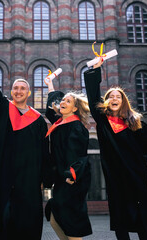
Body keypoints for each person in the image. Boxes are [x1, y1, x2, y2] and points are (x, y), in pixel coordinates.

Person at [83, 60, 147, 240]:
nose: (114, 99)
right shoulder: (103, 122)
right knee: (121, 218)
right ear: (106, 102)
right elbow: (93, 97)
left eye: (118, 96)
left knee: (142, 216)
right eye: (110, 96)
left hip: (136, 175)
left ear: (123, 102)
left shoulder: (136, 123)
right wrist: (95, 70)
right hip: (116, 177)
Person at [0, 34, 50, 240]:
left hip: (30, 178)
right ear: (11, 91)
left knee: (28, 223)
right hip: (5, 175)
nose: (18, 91)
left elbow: (45, 152)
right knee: (5, 222)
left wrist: (44, 179)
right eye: (15, 88)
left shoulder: (38, 120)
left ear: (29, 92)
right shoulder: (3, 108)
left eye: (22, 88)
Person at [44, 77, 92, 240]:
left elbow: (79, 154)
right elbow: (51, 110)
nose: (63, 102)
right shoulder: (60, 123)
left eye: (68, 101)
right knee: (55, 219)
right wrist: (50, 85)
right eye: (63, 100)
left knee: (71, 222)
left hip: (71, 179)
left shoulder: (76, 126)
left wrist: (72, 173)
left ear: (75, 107)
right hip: (61, 178)